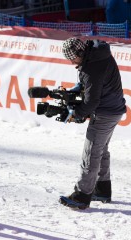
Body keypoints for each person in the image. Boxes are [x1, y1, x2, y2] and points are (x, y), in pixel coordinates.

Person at [59, 37, 126, 209]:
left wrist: (76, 114)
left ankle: (82, 195)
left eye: (72, 58)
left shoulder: (91, 67)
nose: (71, 62)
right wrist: (81, 86)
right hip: (114, 109)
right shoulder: (98, 54)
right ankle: (102, 189)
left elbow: (91, 102)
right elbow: (95, 85)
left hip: (105, 112)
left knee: (91, 153)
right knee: (101, 150)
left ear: (81, 53)